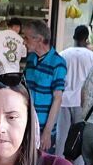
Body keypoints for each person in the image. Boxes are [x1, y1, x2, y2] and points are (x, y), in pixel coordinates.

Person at [52, 24, 93, 163]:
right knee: (79, 135)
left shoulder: (63, 54)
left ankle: (59, 163)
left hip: (63, 100)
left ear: (74, 37)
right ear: (86, 39)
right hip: (82, 102)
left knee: (62, 135)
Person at [20, 20, 70, 149]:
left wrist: (47, 132)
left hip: (43, 129)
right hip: (26, 124)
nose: (24, 41)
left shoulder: (58, 63)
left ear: (39, 39)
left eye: (26, 37)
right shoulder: (31, 59)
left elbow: (57, 98)